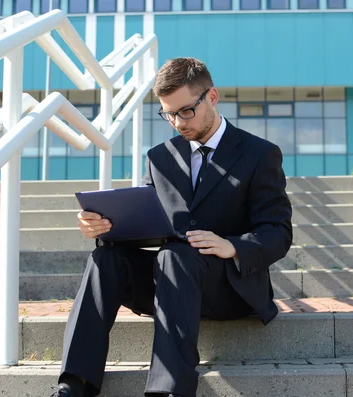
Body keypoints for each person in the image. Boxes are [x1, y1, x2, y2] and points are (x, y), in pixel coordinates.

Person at [50, 57, 293, 397]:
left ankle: (169, 391)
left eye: (185, 111)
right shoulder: (159, 157)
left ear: (211, 96)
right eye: (168, 114)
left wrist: (233, 245)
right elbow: (147, 222)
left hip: (227, 286)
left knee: (175, 256)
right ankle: (74, 384)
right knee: (105, 260)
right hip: (169, 282)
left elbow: (278, 231)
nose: (178, 122)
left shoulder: (259, 153)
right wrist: (105, 226)